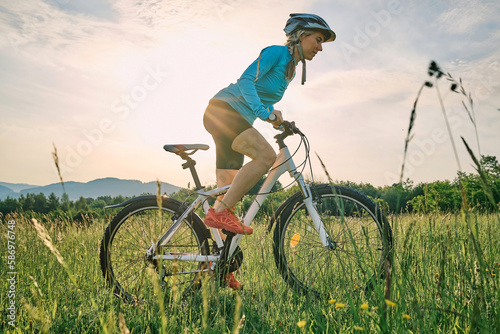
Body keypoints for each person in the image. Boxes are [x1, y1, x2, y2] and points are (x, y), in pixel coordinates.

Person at [202, 13, 336, 289]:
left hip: (235, 118)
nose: (320, 47)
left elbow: (262, 97)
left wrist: (277, 118)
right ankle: (219, 214)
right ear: (300, 36)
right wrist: (264, 113)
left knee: (228, 196)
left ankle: (218, 264)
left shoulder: (291, 69)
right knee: (264, 157)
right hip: (223, 111)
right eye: (318, 39)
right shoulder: (275, 53)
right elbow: (245, 82)